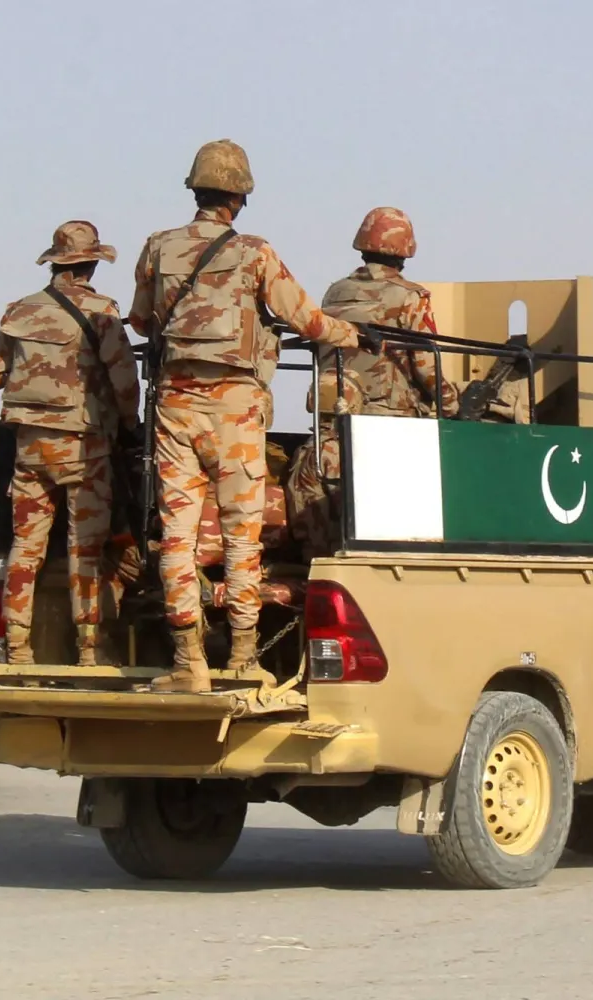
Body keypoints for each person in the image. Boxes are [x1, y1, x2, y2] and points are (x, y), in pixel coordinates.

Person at [127, 138, 373, 693]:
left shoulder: (156, 248)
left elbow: (142, 322)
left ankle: (187, 661)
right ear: (240, 199)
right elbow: (307, 320)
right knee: (243, 538)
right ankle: (242, 657)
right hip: (235, 411)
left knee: (177, 538)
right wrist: (353, 335)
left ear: (195, 190)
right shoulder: (255, 252)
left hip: (175, 406)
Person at [0, 220, 141, 667]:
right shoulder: (101, 311)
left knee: (25, 550)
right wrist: (129, 425)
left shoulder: (19, 312)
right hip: (84, 449)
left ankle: (16, 649)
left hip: (30, 451)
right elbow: (125, 381)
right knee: (83, 551)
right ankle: (89, 651)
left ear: (54, 262)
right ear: (91, 264)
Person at [286, 206, 458, 557]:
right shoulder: (412, 297)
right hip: (389, 426)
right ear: (405, 250)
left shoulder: (335, 293)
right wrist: (452, 403)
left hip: (333, 421)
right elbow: (426, 369)